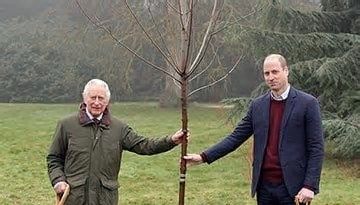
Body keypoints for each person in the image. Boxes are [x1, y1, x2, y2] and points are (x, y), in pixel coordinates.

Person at [184, 54, 324, 205]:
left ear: (286, 71)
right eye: (267, 73)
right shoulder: (258, 106)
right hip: (264, 187)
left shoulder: (307, 103)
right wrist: (203, 157)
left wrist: (309, 186)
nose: (271, 77)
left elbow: (316, 147)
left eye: (275, 72)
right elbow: (235, 138)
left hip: (294, 189)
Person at [47, 79, 186, 205]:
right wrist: (58, 180)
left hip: (106, 199)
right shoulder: (66, 125)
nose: (96, 102)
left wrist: (171, 140)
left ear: (107, 101)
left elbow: (144, 145)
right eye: (92, 97)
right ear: (84, 98)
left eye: (101, 98)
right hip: (74, 199)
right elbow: (54, 158)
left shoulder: (119, 128)